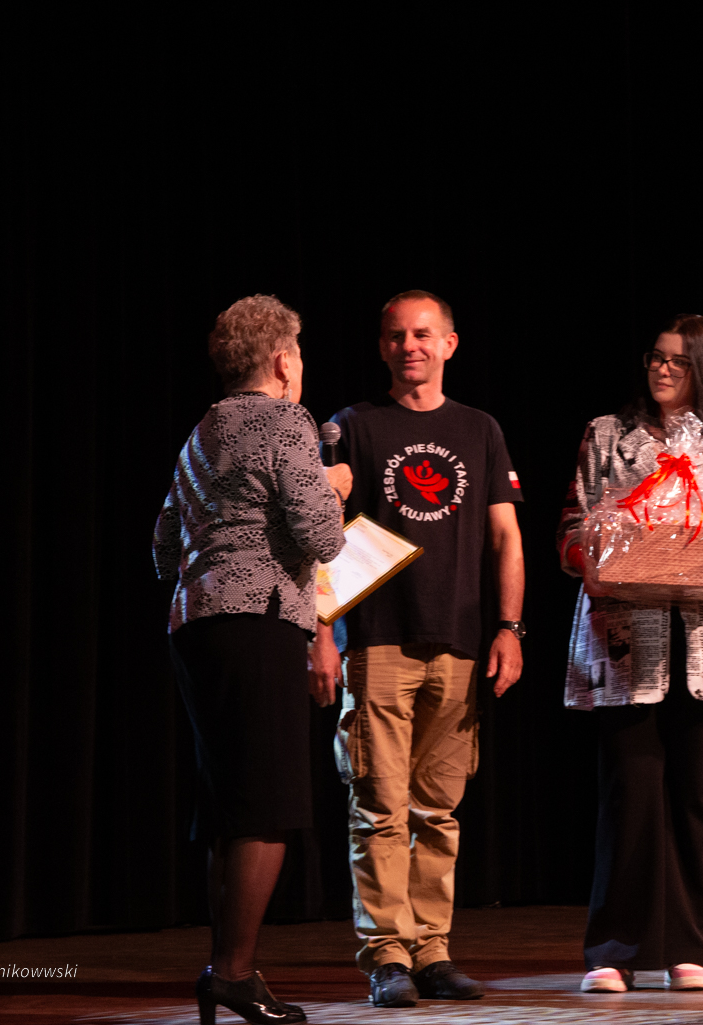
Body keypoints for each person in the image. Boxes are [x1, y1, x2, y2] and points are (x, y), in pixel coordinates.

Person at [558, 314, 703, 994]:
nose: (661, 369)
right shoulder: (608, 433)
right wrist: (592, 564)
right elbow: (575, 522)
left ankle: (691, 950)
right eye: (656, 357)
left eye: (678, 362)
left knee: (697, 800)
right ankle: (614, 950)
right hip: (627, 637)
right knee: (628, 797)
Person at [152, 294, 351, 1025]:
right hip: (256, 622)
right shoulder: (285, 421)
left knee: (231, 805)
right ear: (282, 360)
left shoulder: (202, 431)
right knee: (267, 805)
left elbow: (163, 546)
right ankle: (233, 974)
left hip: (196, 623)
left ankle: (228, 970)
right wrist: (332, 487)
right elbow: (322, 538)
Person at [326, 290, 525, 1008]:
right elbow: (319, 536)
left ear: (449, 344)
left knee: (437, 810)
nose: (409, 346)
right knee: (379, 805)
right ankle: (387, 954)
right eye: (396, 335)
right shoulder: (352, 426)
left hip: (461, 641)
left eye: (422, 334)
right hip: (377, 637)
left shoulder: (479, 429)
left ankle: (432, 951)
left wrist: (510, 628)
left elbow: (506, 537)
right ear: (381, 346)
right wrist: (322, 634)